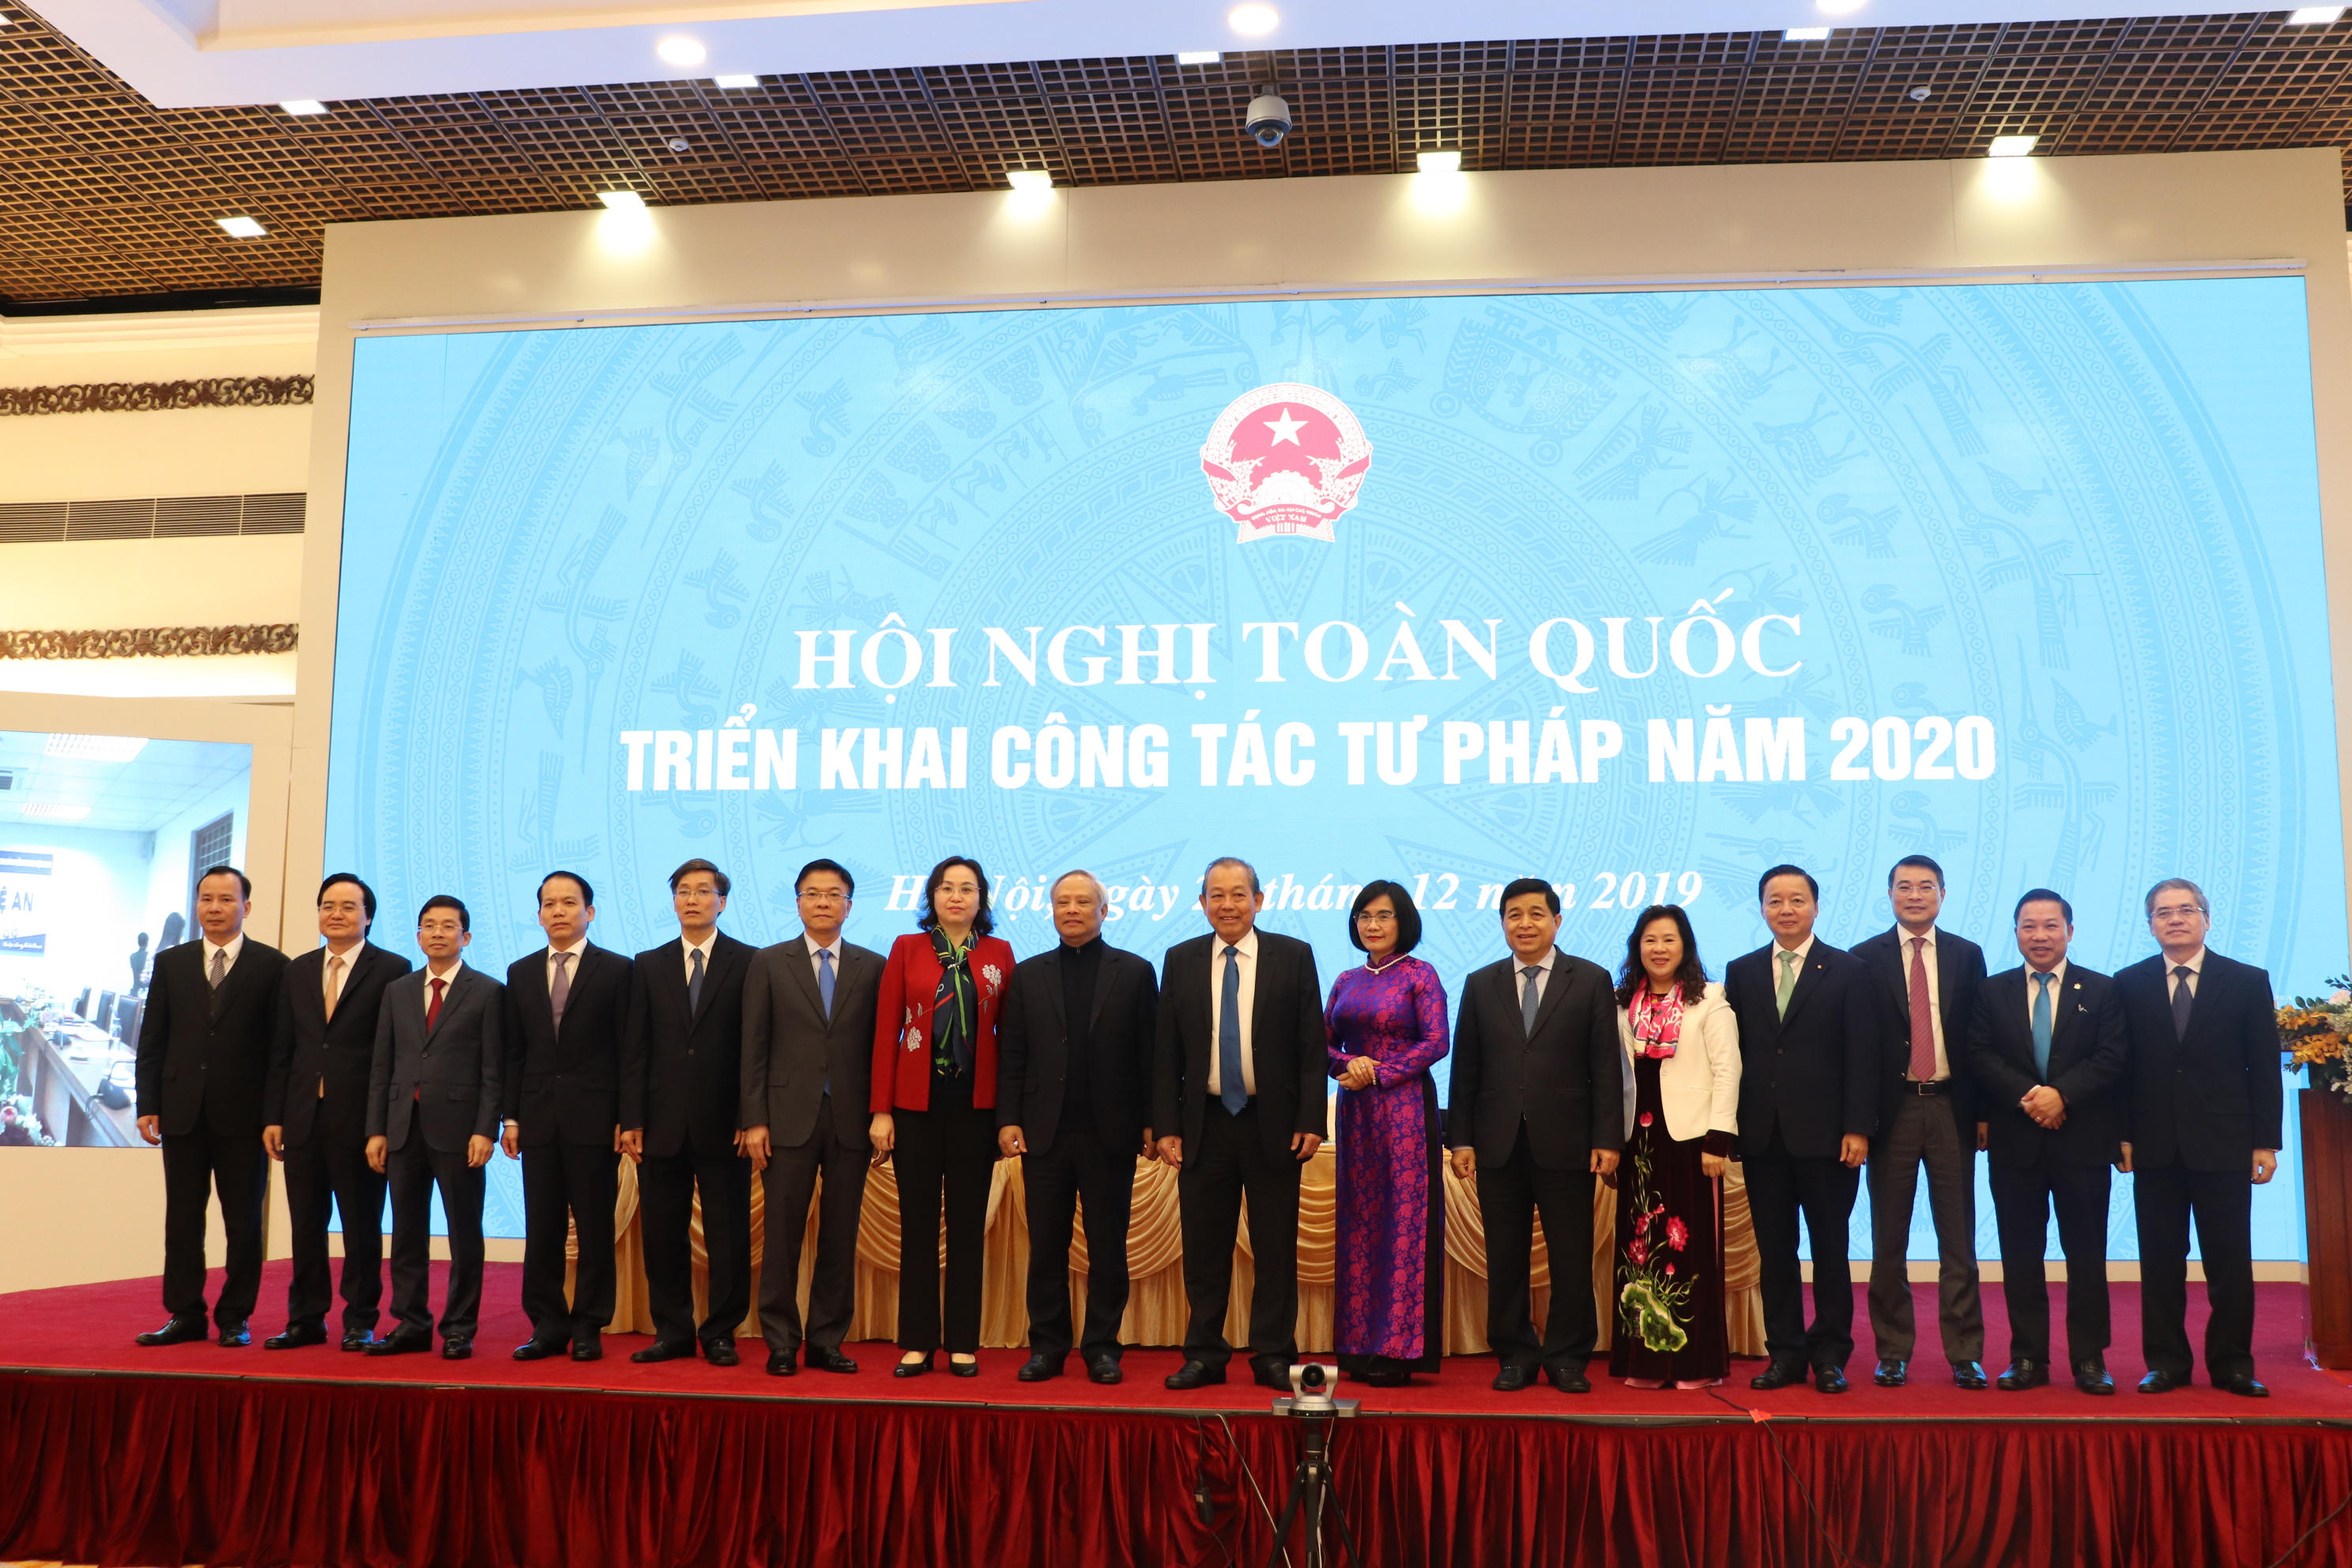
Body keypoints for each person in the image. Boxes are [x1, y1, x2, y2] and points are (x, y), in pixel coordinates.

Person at [1153, 856, 1328, 1392]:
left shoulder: (1293, 956)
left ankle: (1273, 1354)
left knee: (1275, 1249)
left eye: (1238, 894)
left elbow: (1310, 1046)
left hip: (1273, 1124)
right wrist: (1166, 1124)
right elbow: (1166, 1052)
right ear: (1202, 902)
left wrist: (1312, 1118)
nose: (1227, 905)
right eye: (1216, 895)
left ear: (1259, 900)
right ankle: (1204, 1354)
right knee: (1205, 1249)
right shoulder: (1180, 959)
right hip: (1204, 1123)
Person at [1449, 878, 1623, 1393]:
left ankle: (1568, 1357)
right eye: (1514, 914)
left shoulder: (1589, 979)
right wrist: (1461, 1139)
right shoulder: (1481, 983)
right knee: (1505, 1257)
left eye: (1536, 913)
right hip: (1497, 1143)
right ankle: (1515, 1354)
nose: (1525, 923)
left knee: (1571, 1257)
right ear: (1503, 923)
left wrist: (1607, 1138)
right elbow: (1466, 1069)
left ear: (1557, 921)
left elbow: (1605, 1068)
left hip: (1568, 1143)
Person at [2116, 877, 2280, 1398]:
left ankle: (2233, 1365)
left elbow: (2264, 1067)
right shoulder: (2128, 983)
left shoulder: (2247, 981)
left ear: (2206, 919)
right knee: (2160, 1262)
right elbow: (2122, 1069)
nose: (2175, 919)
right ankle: (2166, 1363)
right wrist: (2122, 1135)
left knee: (2228, 1262)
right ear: (2150, 926)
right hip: (2154, 1143)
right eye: (2163, 913)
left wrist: (2265, 1142)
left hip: (2225, 1142)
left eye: (2186, 910)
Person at [998, 870, 1160, 1385]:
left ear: (1103, 911)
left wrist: (1153, 1122)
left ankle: (1103, 1348)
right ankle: (1047, 1347)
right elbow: (1012, 1053)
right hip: (1044, 1134)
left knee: (1108, 1248)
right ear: (1052, 911)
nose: (1072, 909)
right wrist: (1008, 1118)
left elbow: (1151, 1056)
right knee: (1046, 1246)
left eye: (1083, 902)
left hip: (1111, 1134)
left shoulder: (1134, 972)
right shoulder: (1028, 975)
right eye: (1062, 902)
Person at [1723, 865, 1878, 1394]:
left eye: (1797, 899)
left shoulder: (1850, 970)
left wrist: (1858, 1127)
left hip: (1830, 1139)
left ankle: (1830, 1355)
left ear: (1815, 906)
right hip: (1763, 1137)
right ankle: (1785, 1354)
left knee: (1831, 1250)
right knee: (1776, 1254)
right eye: (1775, 900)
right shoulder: (1742, 971)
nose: (1786, 909)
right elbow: (1736, 1055)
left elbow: (1864, 1055)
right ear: (1762, 908)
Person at [1966, 888, 2128, 1394]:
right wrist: (2032, 1098)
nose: (2040, 936)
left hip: (2082, 1141)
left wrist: (2062, 1096)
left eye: (2050, 925)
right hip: (2016, 1143)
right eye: (2029, 926)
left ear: (2069, 932)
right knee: (2020, 1255)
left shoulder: (2102, 989)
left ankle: (2090, 1359)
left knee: (2086, 1255)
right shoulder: (1991, 991)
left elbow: (2112, 1056)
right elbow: (1979, 1054)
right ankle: (2027, 1357)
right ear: (2016, 932)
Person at [871, 855, 1016, 1378]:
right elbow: (886, 1030)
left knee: (967, 1228)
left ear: (981, 899)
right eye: (946, 887)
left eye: (967, 888)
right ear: (931, 896)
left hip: (975, 1108)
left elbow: (1010, 1039)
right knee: (918, 1228)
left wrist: (1008, 1114)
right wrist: (881, 1110)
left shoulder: (1000, 953)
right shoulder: (906, 949)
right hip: (914, 1107)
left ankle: (961, 1342)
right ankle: (917, 1341)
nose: (956, 896)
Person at [134, 865, 289, 1348]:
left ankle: (235, 1316)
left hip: (245, 1117)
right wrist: (148, 1102)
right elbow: (153, 1038)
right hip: (181, 1111)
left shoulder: (273, 965)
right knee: (182, 1219)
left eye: (226, 899)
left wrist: (275, 1115)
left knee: (243, 1222)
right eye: (206, 899)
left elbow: (280, 1050)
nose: (215, 908)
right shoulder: (172, 962)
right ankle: (185, 1314)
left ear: (246, 906)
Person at [740, 858, 884, 1378]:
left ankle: (826, 1341)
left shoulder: (874, 966)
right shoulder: (769, 962)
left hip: (851, 1119)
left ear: (849, 905)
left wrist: (881, 1113)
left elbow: (881, 1049)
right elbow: (753, 1045)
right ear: (798, 903)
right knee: (781, 1237)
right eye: (812, 894)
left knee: (840, 1237)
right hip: (785, 1119)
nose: (823, 902)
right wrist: (754, 1118)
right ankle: (781, 1342)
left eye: (833, 894)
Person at [1853, 854, 1988, 1390]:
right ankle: (1892, 1351)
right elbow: (1862, 1049)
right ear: (1890, 895)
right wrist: (1861, 1121)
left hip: (1952, 1106)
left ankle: (1965, 1353)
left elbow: (1979, 1040)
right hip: (1894, 1112)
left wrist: (1983, 1114)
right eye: (1904, 887)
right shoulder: (1865, 958)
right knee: (1889, 1239)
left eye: (1925, 887)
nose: (1915, 896)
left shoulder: (1967, 955)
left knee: (1959, 1239)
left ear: (1943, 895)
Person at [262, 873, 412, 1352]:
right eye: (328, 905)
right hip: (303, 1117)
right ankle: (306, 1318)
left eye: (349, 906)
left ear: (368, 916)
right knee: (306, 1224)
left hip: (360, 1120)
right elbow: (283, 1048)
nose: (337, 914)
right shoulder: (298, 970)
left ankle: (360, 1319)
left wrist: (382, 1123)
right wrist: (275, 1116)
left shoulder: (393, 969)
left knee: (361, 1225)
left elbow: (395, 1051)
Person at [622, 859, 757, 1366]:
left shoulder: (749, 961)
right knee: (662, 1235)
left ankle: (721, 1332)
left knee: (728, 1237)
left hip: (725, 1124)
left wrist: (749, 1115)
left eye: (704, 891)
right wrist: (632, 1118)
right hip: (661, 1124)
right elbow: (635, 1048)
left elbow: (753, 1047)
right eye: (683, 891)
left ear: (722, 902)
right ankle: (673, 1331)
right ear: (674, 901)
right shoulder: (648, 963)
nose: (693, 899)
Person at [503, 870, 635, 1363]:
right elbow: (515, 1051)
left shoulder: (617, 970)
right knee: (543, 1229)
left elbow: (628, 1051)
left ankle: (588, 1326)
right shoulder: (520, 972)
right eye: (549, 904)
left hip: (595, 1120)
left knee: (596, 1229)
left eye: (569, 902)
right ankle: (547, 1326)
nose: (558, 911)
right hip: (538, 1119)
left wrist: (626, 1116)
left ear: (589, 912)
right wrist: (511, 1118)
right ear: (539, 915)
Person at [364, 895, 502, 1359]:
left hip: (461, 1131)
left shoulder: (487, 991)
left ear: (466, 937)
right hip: (403, 1128)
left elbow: (493, 1068)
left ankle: (460, 1327)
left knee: (464, 1233)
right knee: (406, 1232)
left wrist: (486, 1129)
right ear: (419, 936)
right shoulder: (397, 990)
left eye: (448, 926)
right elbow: (382, 1064)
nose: (437, 933)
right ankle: (411, 1323)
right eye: (429, 925)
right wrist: (377, 1129)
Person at [1608, 903, 1740, 1389]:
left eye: (1669, 940)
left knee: (1689, 1251)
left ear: (1685, 946)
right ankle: (1644, 1362)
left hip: (1691, 1142)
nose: (1659, 949)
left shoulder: (1709, 1000)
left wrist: (1718, 1140)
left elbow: (1728, 1071)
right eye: (1650, 940)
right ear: (1637, 948)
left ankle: (1693, 1364)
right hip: (1639, 1144)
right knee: (1640, 1250)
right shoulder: (1623, 1003)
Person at [1325, 880, 1449, 1388]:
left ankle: (1397, 1350)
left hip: (1405, 1112)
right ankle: (1357, 1346)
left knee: (1403, 1223)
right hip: (1356, 1112)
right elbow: (1321, 1044)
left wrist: (1378, 1072)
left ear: (1404, 922)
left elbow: (1436, 1042)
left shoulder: (1421, 974)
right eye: (1364, 916)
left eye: (1384, 916)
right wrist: (1346, 1065)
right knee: (1359, 1221)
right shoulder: (1345, 980)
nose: (1372, 925)